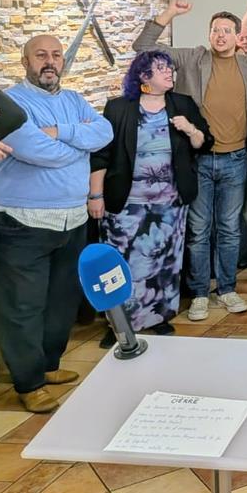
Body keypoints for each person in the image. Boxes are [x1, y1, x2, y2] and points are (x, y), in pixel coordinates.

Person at [0, 36, 114, 413]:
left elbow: (104, 131)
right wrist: (78, 142)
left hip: (71, 219)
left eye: (56, 55)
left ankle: (47, 365)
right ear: (24, 60)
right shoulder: (11, 103)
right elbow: (40, 153)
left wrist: (63, 133)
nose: (50, 62)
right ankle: (28, 382)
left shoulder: (74, 100)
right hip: (19, 222)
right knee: (22, 306)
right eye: (40, 55)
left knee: (60, 302)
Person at [134, 0, 247, 321]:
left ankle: (226, 288)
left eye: (227, 30)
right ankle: (200, 292)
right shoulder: (192, 58)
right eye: (216, 30)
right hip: (198, 159)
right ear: (209, 34)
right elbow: (142, 46)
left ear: (237, 35)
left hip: (237, 159)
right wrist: (169, 13)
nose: (220, 35)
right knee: (199, 230)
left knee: (229, 229)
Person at [90, 51, 213, 342]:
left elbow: (205, 142)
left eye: (170, 68)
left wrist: (190, 128)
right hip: (126, 202)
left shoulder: (182, 104)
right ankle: (119, 324)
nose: (171, 73)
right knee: (122, 263)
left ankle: (159, 317)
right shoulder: (119, 108)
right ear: (144, 76)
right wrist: (95, 195)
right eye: (162, 69)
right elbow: (101, 155)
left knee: (164, 260)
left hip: (170, 201)